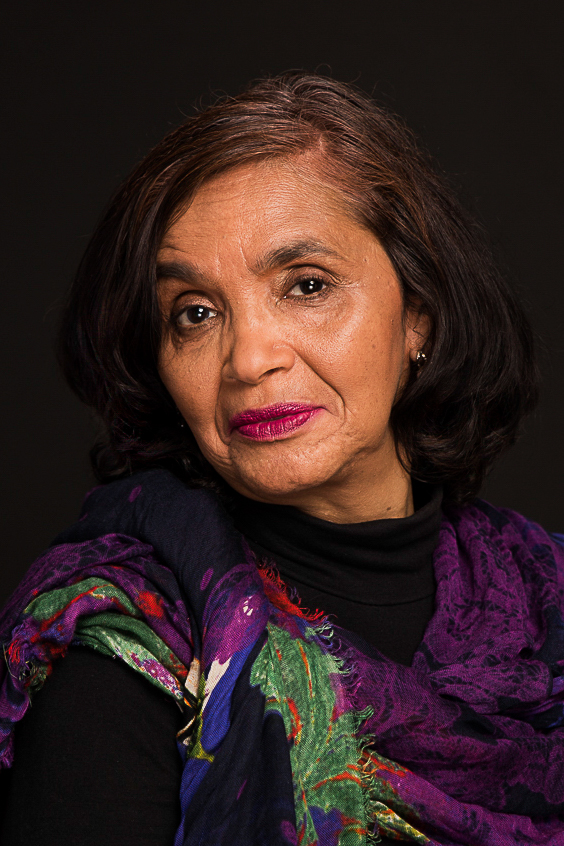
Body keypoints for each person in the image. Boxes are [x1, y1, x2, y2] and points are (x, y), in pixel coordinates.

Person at [0, 71, 561, 846]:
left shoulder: (547, 598)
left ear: (419, 317)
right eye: (196, 313)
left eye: (306, 285)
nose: (248, 359)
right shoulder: (125, 647)